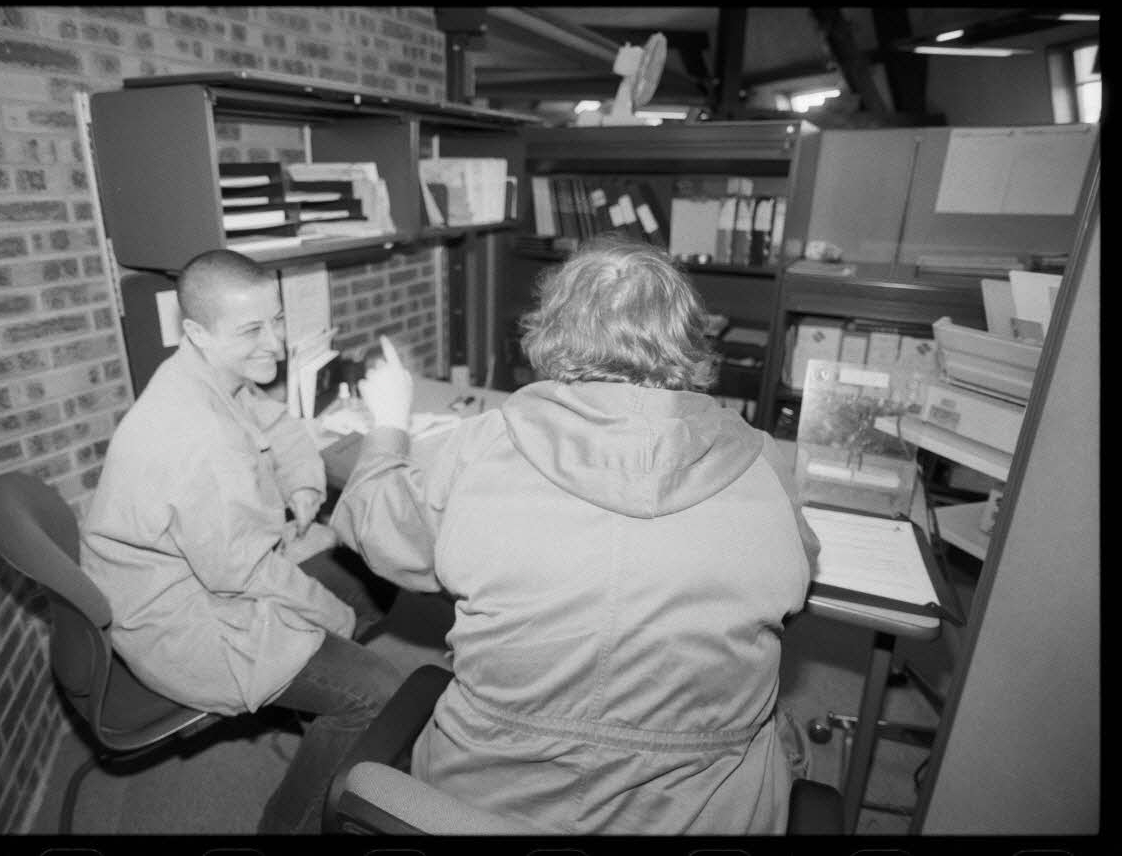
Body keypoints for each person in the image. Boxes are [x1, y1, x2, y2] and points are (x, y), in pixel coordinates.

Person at [329, 237, 821, 835]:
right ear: (691, 342)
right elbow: (798, 578)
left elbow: (372, 522)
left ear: (552, 333)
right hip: (697, 811)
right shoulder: (764, 464)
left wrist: (387, 427)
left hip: (480, 803)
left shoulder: (480, 447)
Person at [80, 249, 401, 834]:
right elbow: (246, 576)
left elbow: (277, 423)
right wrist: (332, 619)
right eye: (252, 329)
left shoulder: (200, 372)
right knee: (379, 690)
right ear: (197, 331)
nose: (275, 344)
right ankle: (288, 826)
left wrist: (303, 482)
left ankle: (322, 719)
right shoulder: (198, 440)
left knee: (372, 574)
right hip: (189, 625)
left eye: (276, 319)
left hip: (213, 580)